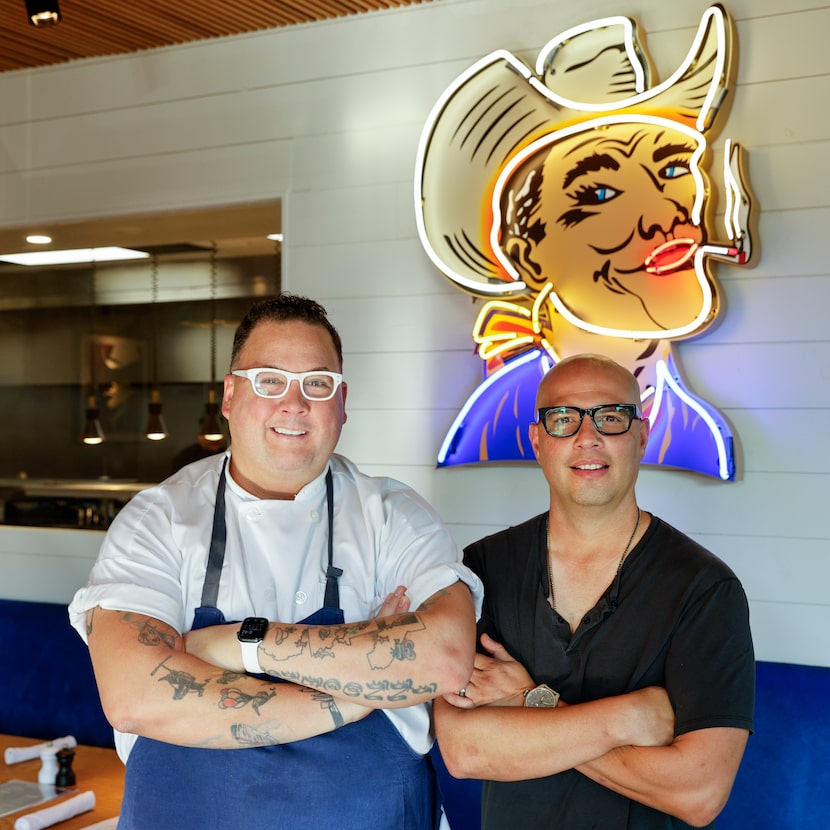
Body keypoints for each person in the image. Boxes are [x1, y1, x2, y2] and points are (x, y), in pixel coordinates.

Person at [69, 293, 482, 829]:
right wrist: (352, 698)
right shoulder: (159, 520)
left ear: (342, 402)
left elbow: (445, 658)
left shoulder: (394, 516)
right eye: (269, 380)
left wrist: (242, 644)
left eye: (317, 383)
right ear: (230, 395)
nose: (295, 403)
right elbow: (134, 697)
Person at [433, 353, 754, 829]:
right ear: (537, 441)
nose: (588, 437)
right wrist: (627, 718)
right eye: (563, 418)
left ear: (641, 436)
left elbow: (699, 792)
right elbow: (465, 749)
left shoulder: (705, 590)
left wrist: (530, 700)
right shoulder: (481, 570)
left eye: (611, 417)